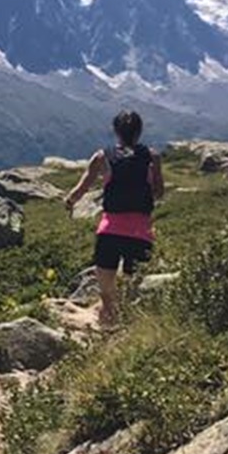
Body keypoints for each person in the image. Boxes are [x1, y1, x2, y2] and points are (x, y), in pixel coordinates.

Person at [64, 110, 165, 328]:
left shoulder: (102, 156)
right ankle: (129, 333)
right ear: (139, 131)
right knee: (133, 290)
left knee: (107, 293)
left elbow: (82, 187)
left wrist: (70, 201)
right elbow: (158, 192)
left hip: (109, 231)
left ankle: (107, 328)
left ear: (116, 131)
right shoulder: (152, 157)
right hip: (141, 233)